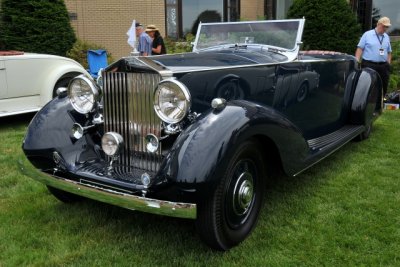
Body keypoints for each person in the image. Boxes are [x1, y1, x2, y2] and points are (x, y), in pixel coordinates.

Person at [355, 17, 392, 96]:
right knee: (366, 84)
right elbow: (360, 48)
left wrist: (388, 63)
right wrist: (357, 60)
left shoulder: (386, 37)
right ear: (378, 24)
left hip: (383, 66)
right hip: (369, 64)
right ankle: (364, 102)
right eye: (384, 26)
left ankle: (380, 102)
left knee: (383, 85)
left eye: (387, 27)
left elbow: (389, 52)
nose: (385, 29)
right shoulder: (367, 34)